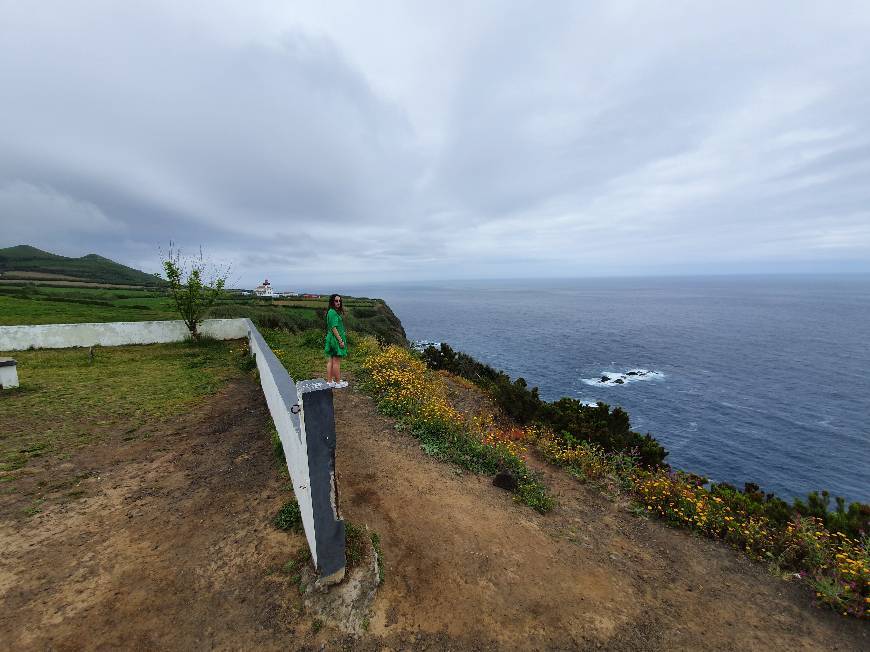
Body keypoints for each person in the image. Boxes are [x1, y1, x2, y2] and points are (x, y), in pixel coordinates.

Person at [324, 294, 348, 388]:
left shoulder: (330, 312)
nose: (338, 303)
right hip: (335, 339)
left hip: (331, 338)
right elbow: (334, 328)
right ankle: (338, 383)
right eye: (336, 301)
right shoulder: (333, 313)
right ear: (332, 302)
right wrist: (340, 341)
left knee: (331, 360)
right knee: (336, 361)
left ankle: (330, 381)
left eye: (339, 301)